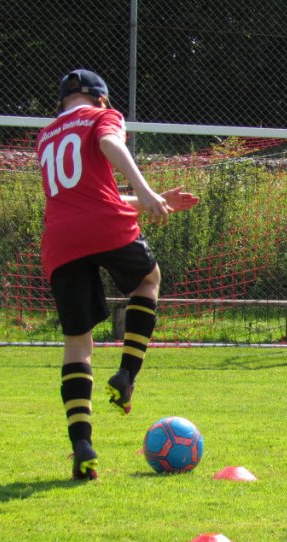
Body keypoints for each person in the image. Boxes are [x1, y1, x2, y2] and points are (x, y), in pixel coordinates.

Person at [36, 69, 198, 480]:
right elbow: (110, 145)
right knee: (149, 280)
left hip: (60, 239)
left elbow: (89, 196)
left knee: (78, 343)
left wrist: (153, 199)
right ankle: (127, 374)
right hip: (103, 226)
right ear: (102, 99)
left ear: (62, 102)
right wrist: (145, 190)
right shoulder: (101, 117)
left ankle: (82, 448)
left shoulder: (47, 135)